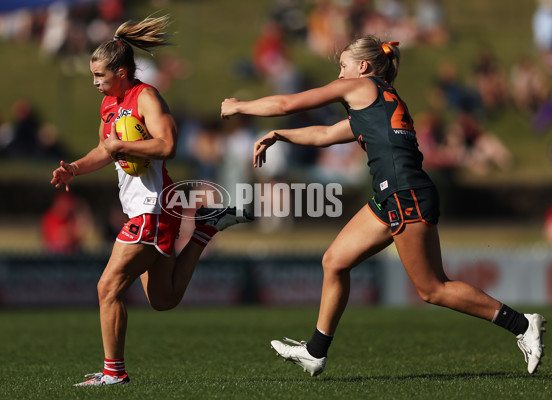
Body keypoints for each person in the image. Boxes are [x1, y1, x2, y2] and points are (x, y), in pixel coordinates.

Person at [221, 36, 546, 377]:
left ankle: (522, 324)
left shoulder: (360, 87)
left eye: (343, 65)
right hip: (394, 195)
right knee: (335, 261)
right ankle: (315, 352)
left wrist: (240, 106)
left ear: (363, 67)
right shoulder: (377, 101)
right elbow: (324, 134)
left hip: (405, 194)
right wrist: (278, 135)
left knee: (432, 288)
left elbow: (289, 103)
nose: (340, 72)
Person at [51, 15, 252, 386]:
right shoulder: (109, 104)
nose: (95, 82)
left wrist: (123, 145)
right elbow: (103, 149)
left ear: (122, 72)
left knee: (106, 288)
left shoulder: (146, 96)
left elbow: (168, 145)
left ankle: (114, 374)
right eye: (93, 76)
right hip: (146, 208)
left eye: (101, 76)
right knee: (163, 298)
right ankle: (205, 229)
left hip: (153, 207)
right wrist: (74, 169)